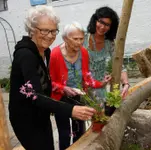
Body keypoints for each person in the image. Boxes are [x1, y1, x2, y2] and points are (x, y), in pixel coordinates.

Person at [9, 6, 96, 150]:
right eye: (44, 30)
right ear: (31, 29)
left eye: (53, 31)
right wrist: (70, 110)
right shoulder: (26, 55)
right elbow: (34, 95)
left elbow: (45, 84)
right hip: (25, 118)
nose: (49, 35)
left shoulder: (45, 52)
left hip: (41, 113)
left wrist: (65, 90)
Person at [49, 22, 111, 150]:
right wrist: (64, 89)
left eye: (81, 38)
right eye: (75, 39)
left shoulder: (83, 52)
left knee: (79, 130)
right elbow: (50, 82)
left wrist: (101, 82)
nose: (79, 42)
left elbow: (86, 77)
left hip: (79, 95)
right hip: (60, 98)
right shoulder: (54, 54)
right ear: (65, 38)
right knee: (64, 133)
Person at [83, 6, 130, 100]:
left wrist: (126, 84)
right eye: (101, 22)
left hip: (100, 91)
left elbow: (119, 65)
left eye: (107, 25)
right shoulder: (83, 38)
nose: (102, 27)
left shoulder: (110, 43)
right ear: (95, 20)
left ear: (111, 27)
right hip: (82, 89)